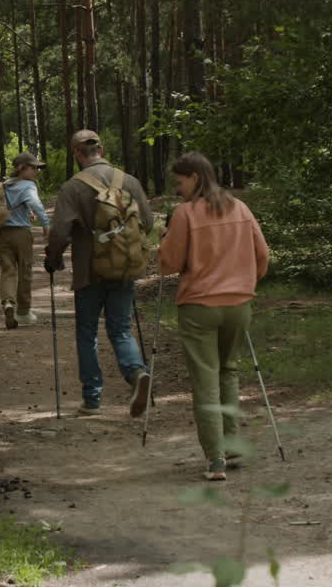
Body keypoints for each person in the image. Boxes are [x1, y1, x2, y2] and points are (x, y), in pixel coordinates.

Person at [158, 151, 269, 481]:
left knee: (205, 379)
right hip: (239, 304)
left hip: (199, 306)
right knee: (228, 371)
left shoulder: (185, 213)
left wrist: (161, 245)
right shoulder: (241, 208)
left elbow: (171, 263)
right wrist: (246, 281)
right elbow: (263, 255)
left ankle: (215, 459)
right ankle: (232, 444)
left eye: (180, 182)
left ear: (194, 177)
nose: (178, 189)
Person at [45, 130, 153, 417]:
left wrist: (53, 259)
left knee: (87, 333)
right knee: (120, 328)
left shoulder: (73, 187)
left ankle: (92, 399)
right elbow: (148, 222)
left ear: (76, 153)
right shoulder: (129, 181)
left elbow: (59, 233)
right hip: (124, 269)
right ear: (101, 149)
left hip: (89, 271)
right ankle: (136, 373)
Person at [0, 153, 51, 329]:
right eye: (33, 167)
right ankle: (23, 312)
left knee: (8, 271)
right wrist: (46, 224)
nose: (36, 171)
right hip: (21, 234)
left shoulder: (4, 185)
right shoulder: (28, 185)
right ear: (21, 168)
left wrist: (27, 211)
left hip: (2, 234)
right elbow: (36, 203)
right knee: (25, 271)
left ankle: (8, 303)